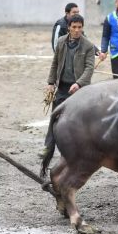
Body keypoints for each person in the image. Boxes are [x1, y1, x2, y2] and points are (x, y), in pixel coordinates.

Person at [41, 15, 95, 157]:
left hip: (80, 90)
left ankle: (79, 150)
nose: (77, 30)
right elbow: (55, 63)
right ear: (69, 28)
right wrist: (51, 83)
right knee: (55, 117)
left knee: (79, 120)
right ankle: (48, 148)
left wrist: (78, 83)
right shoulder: (61, 42)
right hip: (63, 88)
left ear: (82, 28)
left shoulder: (88, 46)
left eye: (79, 27)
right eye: (74, 27)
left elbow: (89, 68)